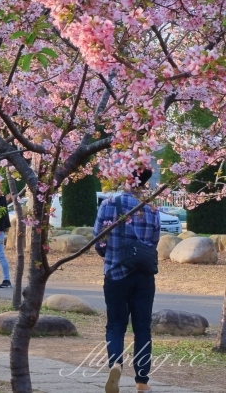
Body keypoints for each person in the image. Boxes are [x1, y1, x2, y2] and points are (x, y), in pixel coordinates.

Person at [94, 168, 159, 393]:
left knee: (115, 325)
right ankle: (142, 381)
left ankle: (116, 365)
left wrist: (111, 254)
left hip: (115, 274)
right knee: (142, 328)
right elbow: (153, 240)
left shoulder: (109, 203)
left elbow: (99, 241)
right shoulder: (151, 207)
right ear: (145, 183)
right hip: (143, 275)